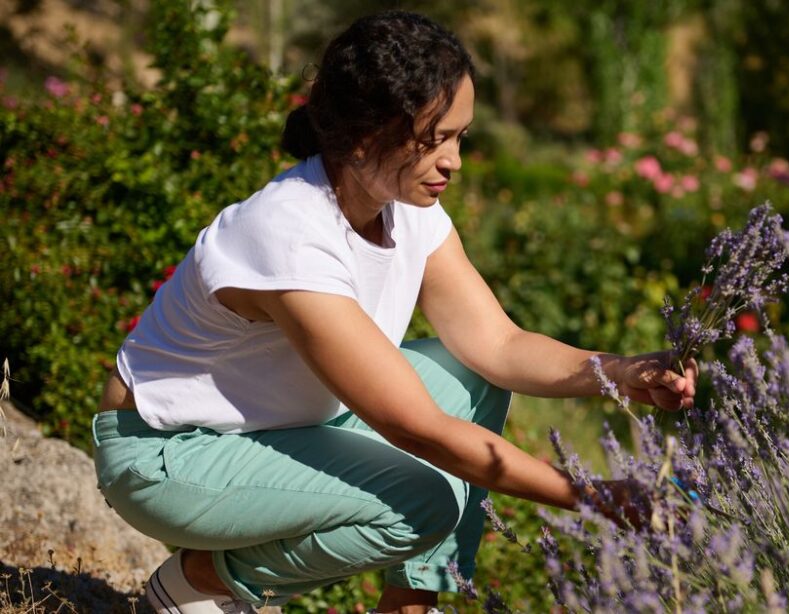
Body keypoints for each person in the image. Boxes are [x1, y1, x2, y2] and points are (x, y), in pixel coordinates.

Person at [92, 10, 697, 614]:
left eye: (461, 136)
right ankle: (202, 581)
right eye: (436, 139)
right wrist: (593, 495)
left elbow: (501, 347)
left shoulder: (408, 209)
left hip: (279, 427)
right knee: (421, 498)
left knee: (472, 374)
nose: (454, 160)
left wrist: (621, 371)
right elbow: (417, 430)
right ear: (364, 134)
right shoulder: (288, 232)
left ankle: (412, 604)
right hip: (167, 454)